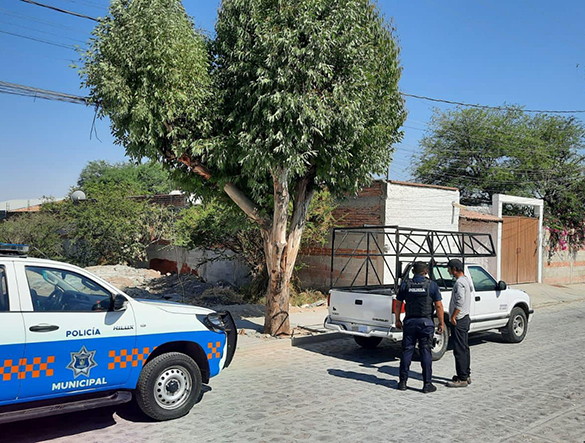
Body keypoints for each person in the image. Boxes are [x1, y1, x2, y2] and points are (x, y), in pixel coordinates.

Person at [395, 262, 445, 393]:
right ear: (426, 271)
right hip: (425, 323)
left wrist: (397, 320)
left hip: (410, 322)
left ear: (413, 272)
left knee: (407, 351)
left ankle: (402, 382)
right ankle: (427, 384)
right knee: (425, 351)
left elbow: (398, 303)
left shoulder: (406, 284)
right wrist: (441, 323)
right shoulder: (431, 285)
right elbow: (439, 306)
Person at [446, 259, 473, 388]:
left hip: (460, 319)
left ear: (455, 269)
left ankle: (462, 378)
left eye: (449, 269)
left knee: (459, 350)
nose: (448, 271)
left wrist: (453, 316)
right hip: (465, 317)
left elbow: (460, 301)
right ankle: (466, 374)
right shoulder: (466, 280)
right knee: (464, 347)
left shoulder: (459, 283)